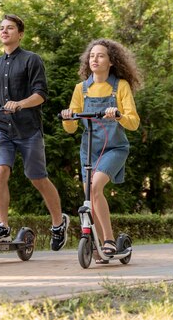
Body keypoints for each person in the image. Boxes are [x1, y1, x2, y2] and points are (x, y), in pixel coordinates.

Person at [0, 14, 69, 251]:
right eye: (1, 28)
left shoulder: (32, 60)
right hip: (1, 128)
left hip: (28, 129)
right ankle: (2, 225)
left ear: (20, 34)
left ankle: (58, 222)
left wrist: (20, 103)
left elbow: (41, 94)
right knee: (0, 170)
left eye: (9, 28)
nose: (4, 31)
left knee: (38, 178)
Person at [60, 38, 141, 263]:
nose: (95, 59)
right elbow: (71, 128)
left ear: (111, 61)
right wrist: (68, 117)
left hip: (114, 148)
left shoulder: (120, 86)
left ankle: (109, 240)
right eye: (92, 56)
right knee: (91, 194)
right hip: (89, 150)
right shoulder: (81, 89)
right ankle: (96, 240)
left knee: (95, 186)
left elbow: (133, 122)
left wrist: (119, 115)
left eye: (101, 55)